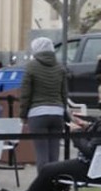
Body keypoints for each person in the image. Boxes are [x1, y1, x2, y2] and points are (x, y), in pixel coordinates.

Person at [0, 81, 101, 191]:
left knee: (49, 169)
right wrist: (87, 126)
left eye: (100, 98)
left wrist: (76, 134)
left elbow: (91, 150)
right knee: (58, 176)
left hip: (95, 170)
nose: (99, 101)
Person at [19, 37, 68, 172]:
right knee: (54, 153)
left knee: (42, 154)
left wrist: (23, 114)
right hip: (57, 112)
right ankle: (55, 183)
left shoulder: (31, 66)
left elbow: (25, 93)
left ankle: (43, 185)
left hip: (37, 113)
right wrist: (65, 112)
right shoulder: (60, 67)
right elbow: (64, 93)